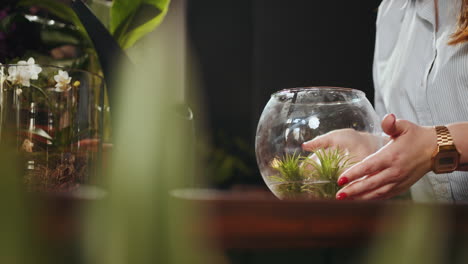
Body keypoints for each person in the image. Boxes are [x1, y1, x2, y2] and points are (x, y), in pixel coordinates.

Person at [302, 0, 468, 202]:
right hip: (433, 229)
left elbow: (424, 144)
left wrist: (435, 143)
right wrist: (374, 147)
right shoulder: (392, 10)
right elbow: (405, 138)